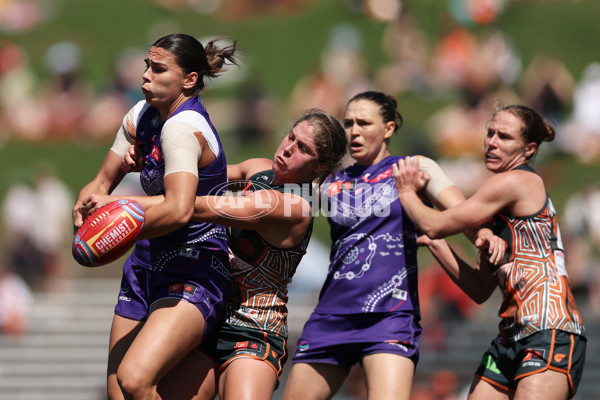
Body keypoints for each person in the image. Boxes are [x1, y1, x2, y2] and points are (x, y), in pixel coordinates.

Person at [92, 108, 348, 399]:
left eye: (302, 148)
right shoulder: (257, 168)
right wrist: (148, 162)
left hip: (252, 331)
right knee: (137, 389)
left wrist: (116, 205)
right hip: (208, 315)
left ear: (319, 166)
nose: (288, 149)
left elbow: (197, 207)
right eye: (291, 137)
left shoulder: (296, 206)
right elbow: (193, 175)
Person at [282, 91, 480, 400]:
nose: (354, 131)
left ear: (388, 128)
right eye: (348, 123)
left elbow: (466, 216)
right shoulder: (331, 180)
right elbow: (278, 198)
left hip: (389, 317)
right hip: (332, 315)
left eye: (364, 122)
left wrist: (488, 240)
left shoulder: (414, 169)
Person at [72, 33, 239, 400]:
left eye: (158, 68)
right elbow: (100, 184)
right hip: (146, 264)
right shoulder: (142, 116)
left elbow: (179, 209)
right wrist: (85, 209)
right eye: (147, 65)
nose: (145, 75)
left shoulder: (182, 127)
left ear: (189, 80)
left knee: (133, 380)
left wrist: (117, 222)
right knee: (118, 391)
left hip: (195, 265)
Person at [393, 104, 586, 400]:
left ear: (529, 149)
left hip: (550, 330)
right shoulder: (495, 212)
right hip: (510, 335)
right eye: (490, 133)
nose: (492, 142)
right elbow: (480, 289)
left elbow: (435, 223)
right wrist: (437, 245)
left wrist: (406, 191)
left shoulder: (517, 181)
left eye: (505, 137)